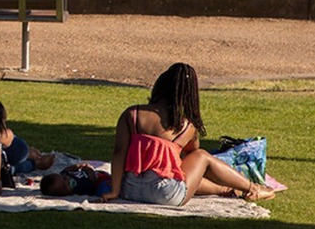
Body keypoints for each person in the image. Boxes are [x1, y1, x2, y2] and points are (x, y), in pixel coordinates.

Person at [100, 62, 276, 206]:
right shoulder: (187, 126)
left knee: (182, 167)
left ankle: (227, 190)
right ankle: (253, 188)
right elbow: (193, 154)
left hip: (129, 189)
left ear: (160, 85)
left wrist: (115, 191)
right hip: (165, 195)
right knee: (201, 156)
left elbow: (119, 152)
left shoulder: (132, 114)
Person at [40, 163, 113, 198]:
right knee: (104, 189)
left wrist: (78, 166)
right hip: (99, 182)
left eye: (65, 178)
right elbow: (93, 182)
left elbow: (67, 170)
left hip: (97, 173)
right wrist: (89, 170)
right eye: (65, 186)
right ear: (63, 194)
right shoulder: (79, 189)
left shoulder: (65, 174)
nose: (68, 181)